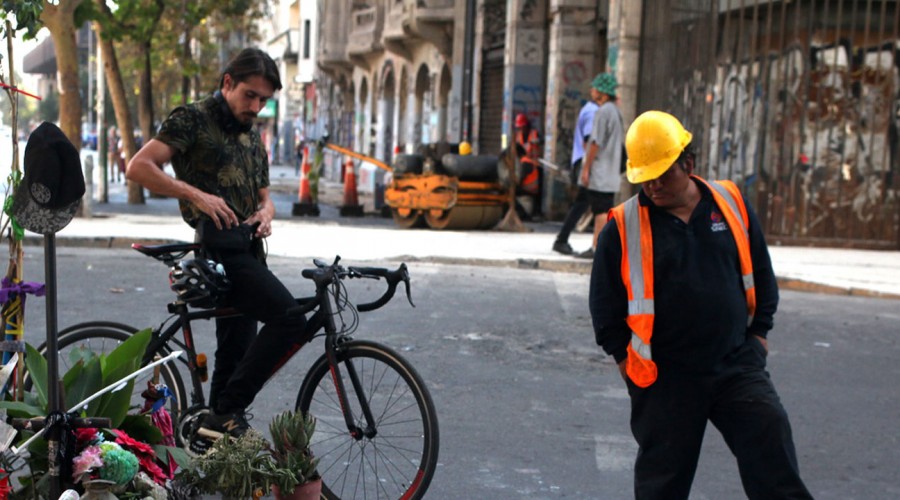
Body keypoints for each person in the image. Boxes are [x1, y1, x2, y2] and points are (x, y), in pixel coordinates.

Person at [589, 110, 812, 499]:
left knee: (773, 459)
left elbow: (760, 271)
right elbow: (605, 308)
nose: (654, 186)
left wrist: (758, 335)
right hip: (666, 377)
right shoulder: (622, 226)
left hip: (735, 364)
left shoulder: (730, 203)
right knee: (663, 485)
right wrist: (628, 364)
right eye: (645, 178)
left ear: (688, 164)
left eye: (663, 174)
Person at [127, 48, 307, 439]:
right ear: (227, 82)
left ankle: (212, 442)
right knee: (290, 318)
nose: (256, 106)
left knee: (234, 354)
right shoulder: (191, 118)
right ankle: (225, 412)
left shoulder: (251, 133)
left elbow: (265, 195)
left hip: (250, 249)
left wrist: (267, 213)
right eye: (250, 95)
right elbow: (139, 166)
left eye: (263, 100)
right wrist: (196, 195)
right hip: (219, 251)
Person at [575, 72, 623, 259]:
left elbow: (595, 142)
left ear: (602, 92)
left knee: (601, 210)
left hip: (602, 170)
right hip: (610, 170)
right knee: (602, 209)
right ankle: (597, 246)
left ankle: (597, 247)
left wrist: (586, 168)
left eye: (595, 88)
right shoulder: (615, 110)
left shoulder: (603, 112)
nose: (591, 91)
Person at [552, 84, 601, 255]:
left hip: (583, 162)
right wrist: (587, 169)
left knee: (584, 203)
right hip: (585, 162)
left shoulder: (591, 110)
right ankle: (563, 240)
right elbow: (589, 141)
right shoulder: (593, 112)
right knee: (595, 204)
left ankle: (562, 239)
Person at [513, 112, 543, 219]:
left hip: (534, 163)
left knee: (539, 188)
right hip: (525, 163)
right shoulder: (518, 137)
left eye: (522, 127)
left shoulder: (534, 134)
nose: (521, 130)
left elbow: (540, 145)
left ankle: (538, 211)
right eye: (519, 128)